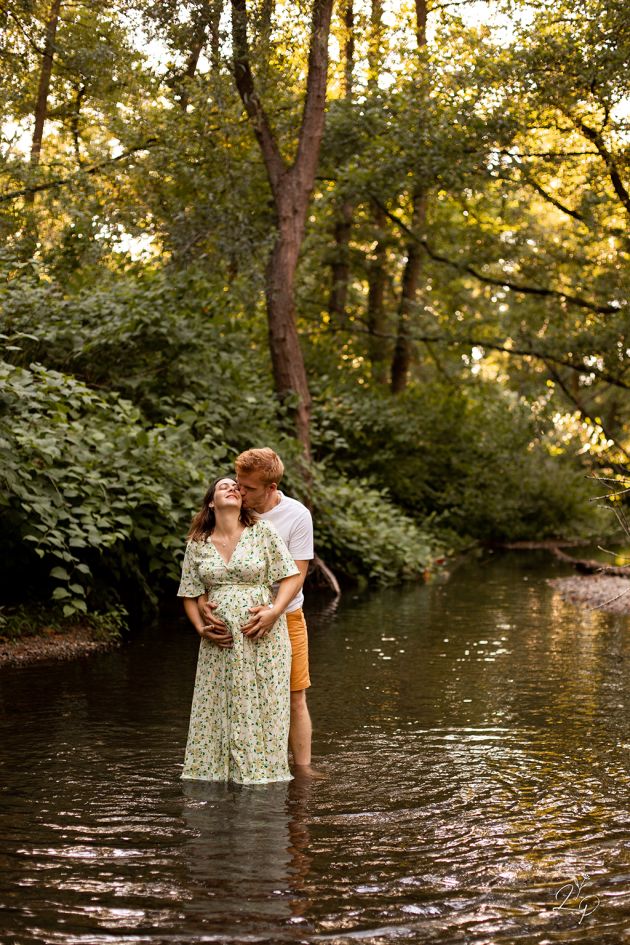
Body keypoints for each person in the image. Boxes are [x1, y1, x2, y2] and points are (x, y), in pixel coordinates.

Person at [178, 476, 303, 784]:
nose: (233, 488)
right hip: (218, 641)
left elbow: (290, 576)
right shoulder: (198, 543)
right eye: (224, 486)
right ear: (211, 502)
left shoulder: (263, 532)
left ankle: (263, 774)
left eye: (236, 486)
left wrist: (275, 612)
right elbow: (190, 594)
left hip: (262, 635)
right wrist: (200, 628)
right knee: (216, 703)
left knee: (264, 702)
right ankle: (214, 773)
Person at [200, 449, 315, 770]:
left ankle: (303, 769)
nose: (240, 492)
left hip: (286, 616)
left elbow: (298, 573)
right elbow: (208, 562)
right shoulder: (232, 509)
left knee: (294, 697)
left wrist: (274, 612)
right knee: (236, 695)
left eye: (248, 488)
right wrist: (204, 603)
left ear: (272, 488)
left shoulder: (296, 516)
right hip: (234, 620)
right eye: (238, 483)